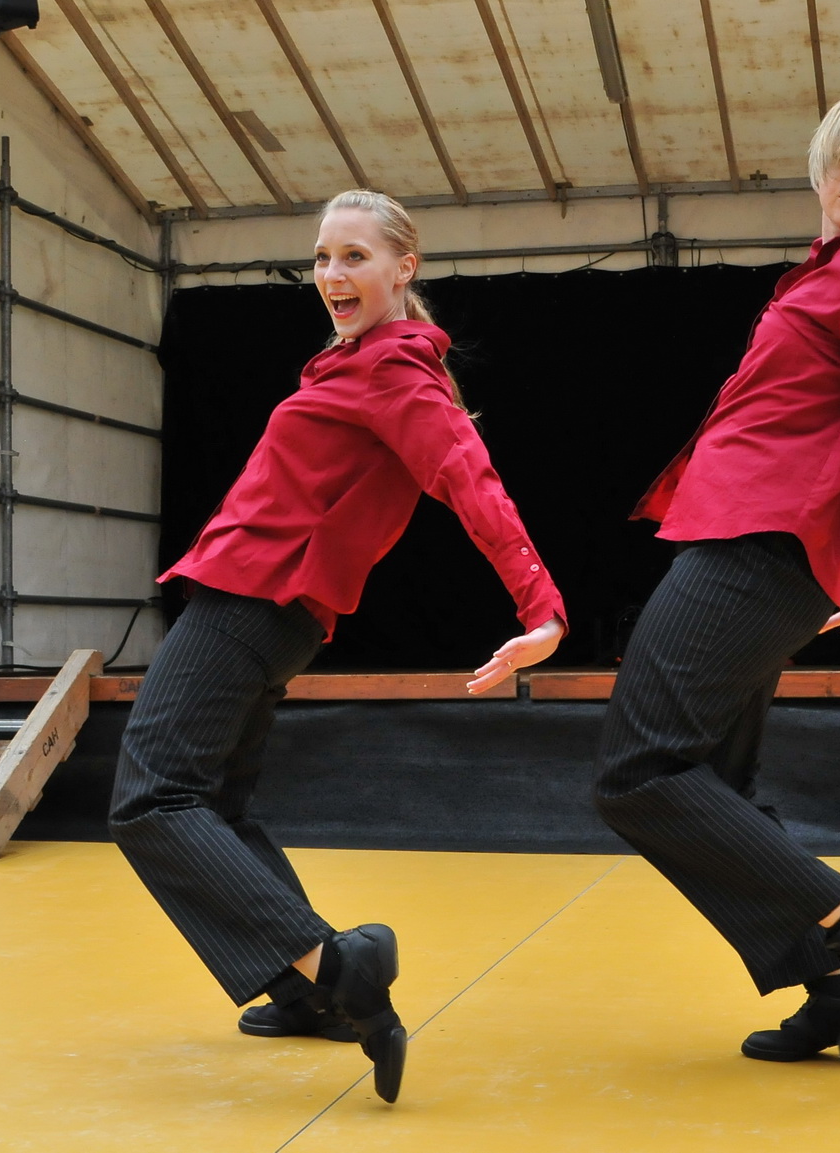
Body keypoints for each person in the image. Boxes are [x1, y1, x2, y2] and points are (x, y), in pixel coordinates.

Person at [108, 189, 567, 1104]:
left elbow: (468, 480)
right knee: (219, 806)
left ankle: (340, 970)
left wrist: (541, 607)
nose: (331, 275)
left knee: (152, 797)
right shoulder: (354, 364)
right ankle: (306, 991)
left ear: (404, 267)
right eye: (321, 258)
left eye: (354, 257)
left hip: (253, 598)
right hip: (273, 605)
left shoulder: (395, 371)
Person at [593, 90, 840, 1065]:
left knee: (638, 769)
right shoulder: (825, 276)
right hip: (756, 535)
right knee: (712, 782)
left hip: (762, 542)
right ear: (817, 169)